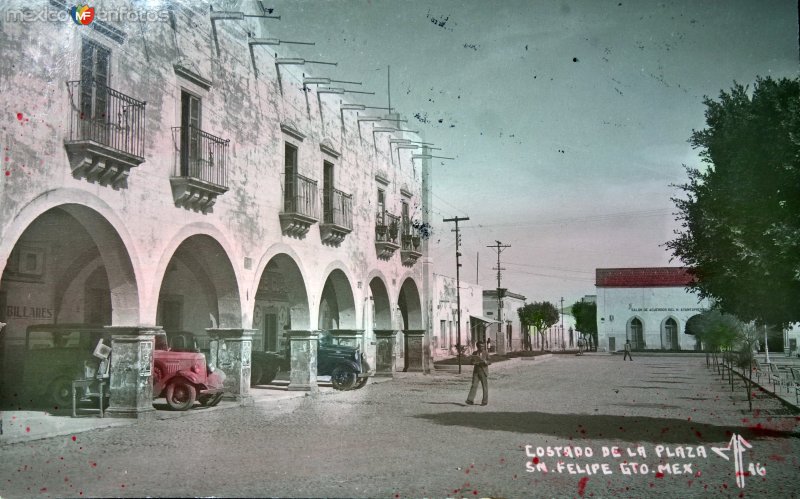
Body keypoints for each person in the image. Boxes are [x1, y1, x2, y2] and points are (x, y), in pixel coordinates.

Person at [466, 340, 490, 406]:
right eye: (481, 346)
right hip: (476, 371)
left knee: (484, 386)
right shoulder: (474, 353)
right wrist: (473, 362)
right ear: (477, 347)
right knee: (474, 385)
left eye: (483, 346)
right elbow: (471, 362)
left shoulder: (486, 353)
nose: (482, 348)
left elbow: (490, 361)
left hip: (483, 370)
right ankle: (470, 400)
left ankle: (484, 401)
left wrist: (486, 362)